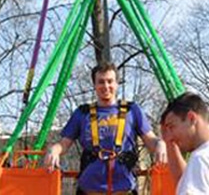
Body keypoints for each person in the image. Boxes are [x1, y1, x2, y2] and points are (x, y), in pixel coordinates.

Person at [45, 62, 167, 195]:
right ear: (94, 85)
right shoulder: (82, 113)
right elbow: (64, 144)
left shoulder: (131, 110)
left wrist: (161, 144)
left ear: (117, 84)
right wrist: (54, 150)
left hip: (123, 189)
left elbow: (151, 140)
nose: (106, 86)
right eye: (101, 82)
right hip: (90, 189)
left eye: (110, 81)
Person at [159, 92, 209, 195]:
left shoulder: (201, 159)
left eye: (172, 126)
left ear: (191, 118)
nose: (170, 136)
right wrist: (169, 144)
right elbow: (184, 182)